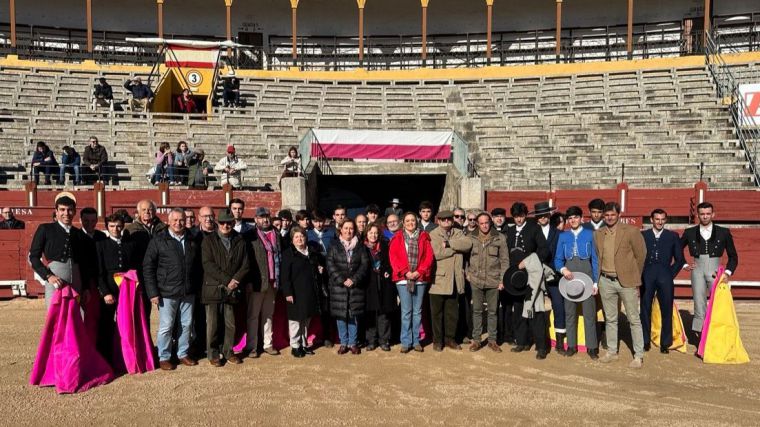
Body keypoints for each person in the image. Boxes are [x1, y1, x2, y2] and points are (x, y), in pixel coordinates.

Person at [143, 208, 201, 371]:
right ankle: (164, 356)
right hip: (166, 292)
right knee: (166, 326)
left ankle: (182, 353)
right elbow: (148, 267)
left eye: (181, 220)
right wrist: (153, 292)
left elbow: (196, 266)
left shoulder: (192, 238)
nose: (178, 223)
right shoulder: (159, 239)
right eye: (175, 220)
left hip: (188, 291)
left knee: (187, 324)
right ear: (168, 221)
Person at [594, 202, 647, 368]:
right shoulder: (599, 233)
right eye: (606, 215)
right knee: (610, 319)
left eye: (612, 214)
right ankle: (611, 351)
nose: (609, 217)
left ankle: (638, 355)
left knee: (633, 318)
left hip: (626, 281)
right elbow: (597, 257)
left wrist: (633, 275)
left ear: (619, 214)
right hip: (605, 280)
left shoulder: (631, 231)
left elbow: (641, 255)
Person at [681, 202, 738, 345]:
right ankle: (701, 339)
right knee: (699, 304)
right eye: (702, 214)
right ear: (698, 215)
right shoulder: (689, 232)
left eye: (708, 214)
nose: (705, 216)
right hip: (697, 270)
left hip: (715, 271)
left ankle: (716, 335)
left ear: (713, 214)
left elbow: (733, 256)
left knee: (717, 304)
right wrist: (685, 264)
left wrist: (727, 273)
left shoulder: (723, 232)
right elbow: (677, 249)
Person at [201, 208, 249, 367]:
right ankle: (213, 353)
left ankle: (228, 351)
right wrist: (228, 279)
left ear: (233, 223)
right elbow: (208, 265)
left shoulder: (240, 240)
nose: (225, 225)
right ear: (217, 223)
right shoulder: (208, 240)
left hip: (232, 287)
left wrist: (235, 280)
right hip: (214, 286)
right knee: (213, 324)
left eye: (228, 223)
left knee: (230, 323)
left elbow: (245, 264)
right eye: (222, 223)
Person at [29, 194, 94, 308]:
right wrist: (48, 276)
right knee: (55, 316)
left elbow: (84, 264)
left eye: (69, 210)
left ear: (74, 212)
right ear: (56, 211)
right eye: (62, 210)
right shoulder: (45, 229)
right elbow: (33, 257)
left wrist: (86, 288)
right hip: (55, 279)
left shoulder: (79, 235)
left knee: (75, 317)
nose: (66, 213)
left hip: (77, 281)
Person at [554, 206, 599, 359]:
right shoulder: (563, 236)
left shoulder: (590, 234)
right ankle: (571, 346)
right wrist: (563, 270)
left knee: (589, 313)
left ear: (582, 218)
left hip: (586, 273)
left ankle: (592, 347)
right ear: (567, 221)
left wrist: (595, 282)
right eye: (570, 218)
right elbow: (558, 259)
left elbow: (595, 260)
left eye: (576, 217)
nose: (573, 220)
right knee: (570, 313)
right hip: (569, 275)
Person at [502, 202, 548, 349]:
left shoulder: (534, 228)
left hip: (531, 275)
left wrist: (529, 263)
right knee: (518, 308)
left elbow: (543, 250)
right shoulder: (509, 231)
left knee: (534, 308)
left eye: (521, 216)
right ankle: (522, 341)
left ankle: (537, 343)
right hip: (515, 277)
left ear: (526, 215)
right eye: (516, 216)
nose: (519, 219)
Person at [640, 209, 685, 354]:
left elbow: (680, 259)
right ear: (651, 220)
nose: (660, 222)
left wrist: (669, 274)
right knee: (645, 308)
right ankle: (645, 341)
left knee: (666, 308)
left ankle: (665, 343)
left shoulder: (672, 236)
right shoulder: (643, 235)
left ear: (666, 220)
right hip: (646, 274)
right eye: (657, 219)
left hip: (665, 274)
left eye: (662, 219)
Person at [388, 212, 434, 353]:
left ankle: (416, 341)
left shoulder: (424, 237)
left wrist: (419, 272)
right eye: (407, 221)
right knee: (406, 311)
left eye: (412, 220)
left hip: (419, 279)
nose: (410, 223)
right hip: (403, 279)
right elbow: (393, 257)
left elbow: (429, 257)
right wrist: (405, 272)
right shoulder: (397, 238)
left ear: (417, 221)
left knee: (417, 311)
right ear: (403, 222)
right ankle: (406, 341)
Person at [95, 214, 138, 361]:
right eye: (112, 226)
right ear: (107, 227)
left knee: (127, 323)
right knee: (106, 323)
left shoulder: (130, 244)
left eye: (118, 226)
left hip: (127, 290)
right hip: (110, 290)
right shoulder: (101, 245)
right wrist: (105, 292)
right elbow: (99, 272)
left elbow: (134, 268)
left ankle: (126, 356)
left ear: (123, 226)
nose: (115, 229)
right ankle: (106, 357)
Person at [466, 212, 509, 352]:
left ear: (490, 222)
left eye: (486, 222)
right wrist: (467, 274)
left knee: (493, 312)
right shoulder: (470, 238)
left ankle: (492, 340)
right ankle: (476, 340)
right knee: (477, 311)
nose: (484, 225)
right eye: (481, 223)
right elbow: (465, 258)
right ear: (477, 224)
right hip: (476, 280)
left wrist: (503, 280)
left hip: (493, 280)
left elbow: (504, 261)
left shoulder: (500, 238)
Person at [429, 210, 470, 351]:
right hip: (438, 280)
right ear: (438, 221)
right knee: (437, 314)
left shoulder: (458, 233)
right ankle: (437, 341)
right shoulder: (433, 234)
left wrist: (448, 244)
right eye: (443, 219)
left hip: (455, 279)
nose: (446, 221)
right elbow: (436, 253)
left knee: (452, 313)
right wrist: (455, 248)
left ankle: (450, 339)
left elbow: (467, 244)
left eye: (449, 219)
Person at [327, 219, 369, 355]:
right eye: (346, 228)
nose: (348, 231)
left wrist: (354, 279)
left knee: (353, 316)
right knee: (341, 316)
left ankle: (353, 343)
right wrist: (342, 280)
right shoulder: (334, 245)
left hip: (355, 287)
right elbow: (330, 265)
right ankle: (343, 343)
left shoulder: (361, 246)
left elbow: (364, 265)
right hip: (339, 287)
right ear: (341, 229)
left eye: (351, 228)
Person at [280, 226, 324, 358]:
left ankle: (304, 344)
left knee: (306, 320)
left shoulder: (311, 251)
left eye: (302, 236)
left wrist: (320, 269)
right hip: (295, 292)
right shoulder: (288, 254)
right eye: (296, 237)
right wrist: (287, 293)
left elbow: (316, 268)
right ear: (292, 240)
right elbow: (284, 276)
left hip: (310, 291)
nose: (300, 239)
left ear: (306, 237)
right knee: (295, 321)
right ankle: (295, 345)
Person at [244, 207, 282, 357]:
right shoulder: (250, 236)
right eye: (261, 217)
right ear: (255, 219)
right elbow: (247, 261)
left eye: (267, 217)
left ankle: (268, 344)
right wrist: (248, 281)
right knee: (253, 315)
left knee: (268, 314)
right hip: (257, 281)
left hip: (273, 281)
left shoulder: (277, 234)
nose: (265, 220)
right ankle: (252, 346)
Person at [533, 201, 566, 355]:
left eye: (545, 214)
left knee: (558, 306)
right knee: (537, 308)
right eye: (540, 215)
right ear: (537, 218)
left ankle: (559, 342)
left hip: (555, 275)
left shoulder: (559, 233)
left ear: (549, 215)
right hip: (537, 276)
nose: (543, 217)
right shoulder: (532, 232)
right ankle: (540, 342)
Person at [363, 223, 396, 351]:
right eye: (371, 232)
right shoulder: (363, 247)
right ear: (366, 234)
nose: (373, 235)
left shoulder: (384, 245)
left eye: (376, 233)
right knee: (370, 312)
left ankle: (384, 340)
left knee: (384, 313)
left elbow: (390, 262)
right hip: (369, 283)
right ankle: (371, 340)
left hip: (384, 282)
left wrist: (386, 270)